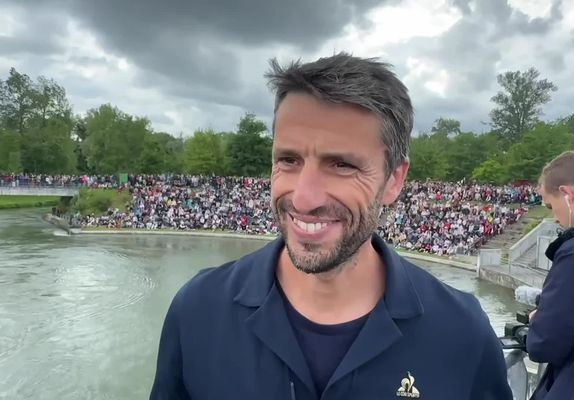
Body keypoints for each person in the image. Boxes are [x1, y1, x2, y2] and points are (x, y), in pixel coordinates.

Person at [149, 53, 512, 400]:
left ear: (394, 180)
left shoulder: (463, 334)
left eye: (341, 165)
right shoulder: (197, 310)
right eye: (288, 160)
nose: (304, 198)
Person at [526, 150, 574, 399]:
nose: (554, 217)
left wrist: (538, 319)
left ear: (568, 194)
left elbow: (546, 342)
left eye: (550, 205)